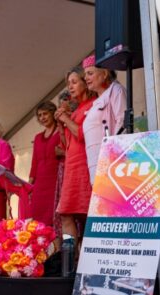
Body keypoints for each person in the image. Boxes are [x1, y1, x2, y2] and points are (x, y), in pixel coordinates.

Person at [56, 67, 96, 242]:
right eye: (68, 84)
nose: (70, 87)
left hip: (85, 165)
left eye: (74, 82)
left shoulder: (94, 105)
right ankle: (69, 261)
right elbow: (66, 144)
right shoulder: (78, 109)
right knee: (65, 213)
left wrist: (66, 120)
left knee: (87, 214)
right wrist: (60, 124)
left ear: (85, 83)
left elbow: (83, 135)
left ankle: (86, 260)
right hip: (72, 166)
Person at [83, 54, 127, 183]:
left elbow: (123, 125)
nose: (86, 78)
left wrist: (114, 160)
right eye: (85, 74)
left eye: (90, 73)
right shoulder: (96, 102)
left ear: (105, 73)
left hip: (112, 168)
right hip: (97, 170)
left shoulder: (116, 91)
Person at [28, 101, 62, 227]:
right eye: (40, 115)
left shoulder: (61, 132)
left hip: (55, 181)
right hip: (39, 185)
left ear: (53, 113)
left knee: (54, 217)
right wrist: (29, 185)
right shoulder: (37, 137)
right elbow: (34, 163)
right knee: (37, 219)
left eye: (45, 114)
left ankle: (57, 246)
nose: (42, 118)